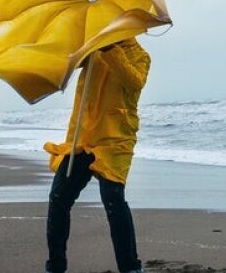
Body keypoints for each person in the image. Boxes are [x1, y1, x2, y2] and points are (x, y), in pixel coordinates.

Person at [42, 38, 151, 273]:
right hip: (83, 140)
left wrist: (110, 49)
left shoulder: (140, 56)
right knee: (59, 199)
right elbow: (67, 64)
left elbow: (134, 82)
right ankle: (55, 267)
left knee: (113, 200)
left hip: (115, 141)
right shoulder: (92, 51)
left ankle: (131, 267)